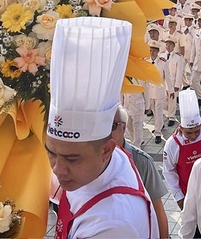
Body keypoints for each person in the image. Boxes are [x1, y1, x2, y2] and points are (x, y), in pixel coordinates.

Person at [47, 17, 158, 239]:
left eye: (72, 159)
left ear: (107, 149)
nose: (58, 170)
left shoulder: (113, 226)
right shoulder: (110, 163)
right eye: (51, 153)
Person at [110, 107, 169, 239]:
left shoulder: (142, 162)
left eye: (112, 125)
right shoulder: (92, 161)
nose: (106, 132)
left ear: (123, 128)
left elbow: (158, 209)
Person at [162, 90, 201, 212]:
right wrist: (178, 197)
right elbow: (169, 171)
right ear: (180, 128)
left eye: (197, 131)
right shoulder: (172, 144)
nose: (193, 136)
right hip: (189, 194)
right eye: (188, 133)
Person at [144, 42, 170, 144]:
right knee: (154, 109)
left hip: (159, 91)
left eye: (154, 50)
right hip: (149, 91)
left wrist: (170, 90)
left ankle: (158, 133)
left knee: (158, 111)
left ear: (158, 51)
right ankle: (161, 123)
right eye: (150, 50)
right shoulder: (146, 62)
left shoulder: (163, 62)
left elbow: (168, 77)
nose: (152, 53)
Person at [163, 37, 185, 127]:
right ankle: (165, 113)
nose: (168, 46)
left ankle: (171, 117)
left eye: (170, 44)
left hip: (173, 82)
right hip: (163, 83)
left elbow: (179, 72)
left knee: (172, 101)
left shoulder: (178, 57)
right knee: (164, 101)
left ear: (173, 46)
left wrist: (177, 85)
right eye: (167, 44)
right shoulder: (161, 56)